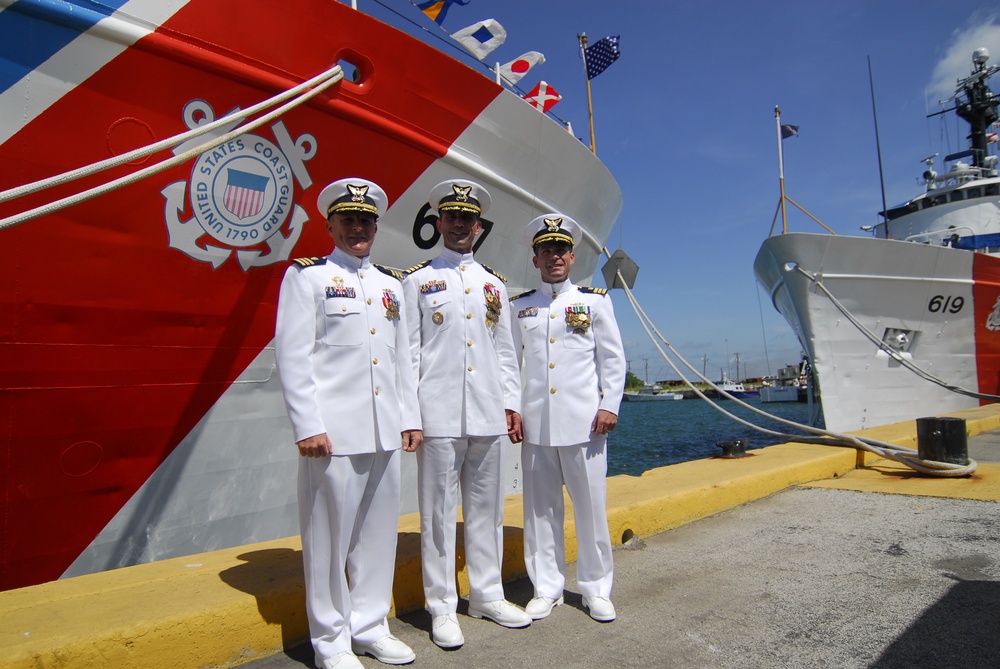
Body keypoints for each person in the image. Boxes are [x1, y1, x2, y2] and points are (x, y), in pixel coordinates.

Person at [274, 178, 422, 669]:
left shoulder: (390, 284)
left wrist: (409, 419)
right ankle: (331, 642)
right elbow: (293, 356)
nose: (357, 227)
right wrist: (307, 425)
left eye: (365, 220)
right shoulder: (308, 277)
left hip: (384, 431)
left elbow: (402, 359)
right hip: (332, 436)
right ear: (330, 225)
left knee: (378, 537)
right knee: (327, 541)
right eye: (348, 219)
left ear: (376, 226)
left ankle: (370, 626)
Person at [401, 179, 531, 649]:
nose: (459, 225)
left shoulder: (492, 284)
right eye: (451, 217)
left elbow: (503, 352)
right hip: (436, 415)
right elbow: (407, 355)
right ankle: (442, 606)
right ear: (439, 223)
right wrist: (409, 414)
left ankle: (487, 594)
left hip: (487, 412)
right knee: (436, 515)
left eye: (467, 218)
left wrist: (511, 404)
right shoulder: (416, 280)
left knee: (487, 511)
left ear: (479, 226)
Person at [509, 213, 626, 624]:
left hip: (585, 426)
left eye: (560, 249)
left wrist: (609, 404)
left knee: (591, 510)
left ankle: (596, 589)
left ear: (572, 256)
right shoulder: (521, 307)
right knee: (539, 513)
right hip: (537, 426)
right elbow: (510, 364)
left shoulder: (594, 301)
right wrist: (512, 409)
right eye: (546, 250)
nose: (553, 256)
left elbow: (612, 358)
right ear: (535, 257)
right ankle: (547, 587)